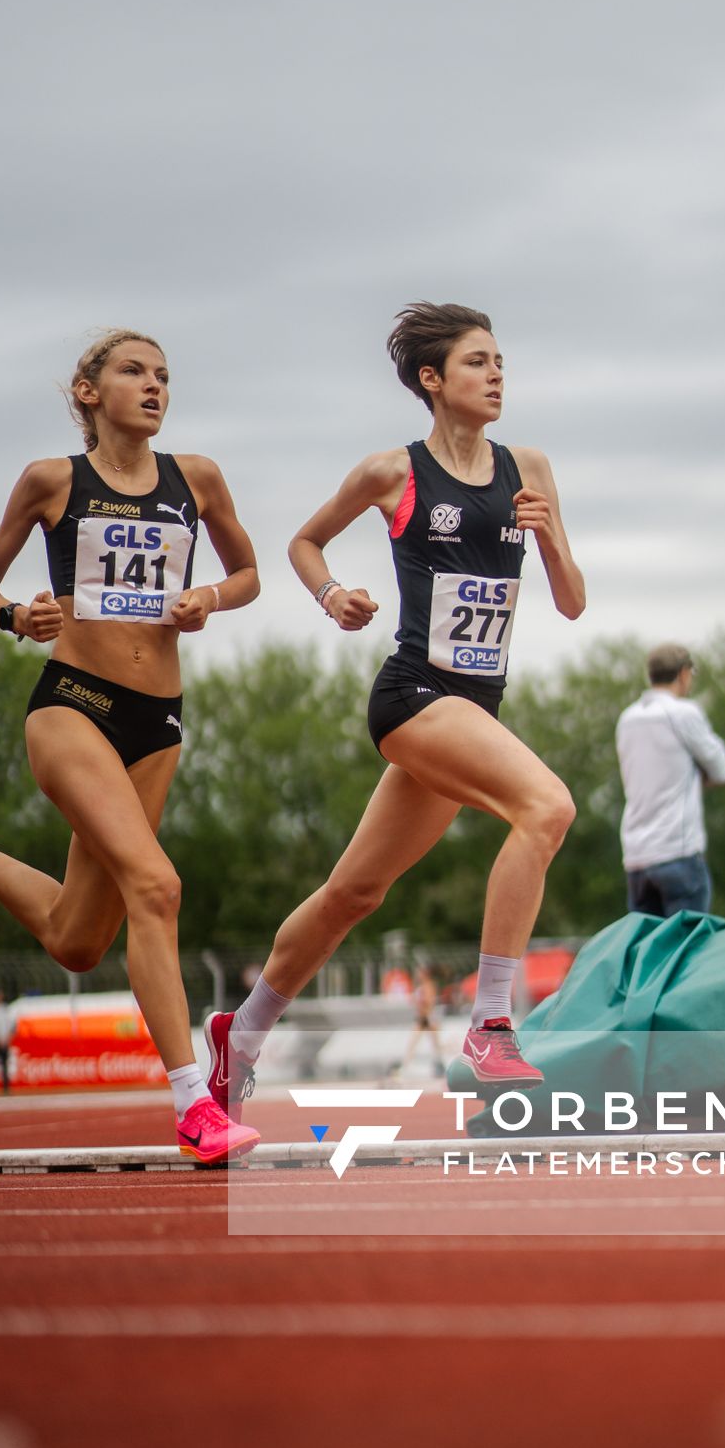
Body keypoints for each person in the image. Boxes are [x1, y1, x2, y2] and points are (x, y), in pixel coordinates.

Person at [203, 300, 584, 1119]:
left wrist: (549, 537)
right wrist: (333, 595)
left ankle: (240, 1035)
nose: (496, 376)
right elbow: (305, 541)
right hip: (415, 695)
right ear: (432, 379)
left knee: (354, 893)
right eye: (479, 363)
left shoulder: (531, 469)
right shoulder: (394, 473)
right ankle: (490, 1023)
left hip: (475, 706)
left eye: (501, 363)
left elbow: (575, 602)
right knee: (546, 807)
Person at [0, 329, 262, 1164]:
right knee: (158, 885)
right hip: (73, 705)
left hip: (158, 719)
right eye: (133, 371)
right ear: (88, 391)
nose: (153, 385)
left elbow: (248, 574)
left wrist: (209, 595)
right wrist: (13, 616)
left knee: (77, 937)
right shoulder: (52, 481)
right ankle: (191, 1106)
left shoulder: (197, 479)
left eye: (164, 375)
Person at [616, 643, 725, 917]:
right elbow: (722, 770)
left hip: (636, 855)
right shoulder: (684, 713)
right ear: (683, 674)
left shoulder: (627, 719)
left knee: (648, 951)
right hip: (677, 851)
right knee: (686, 950)